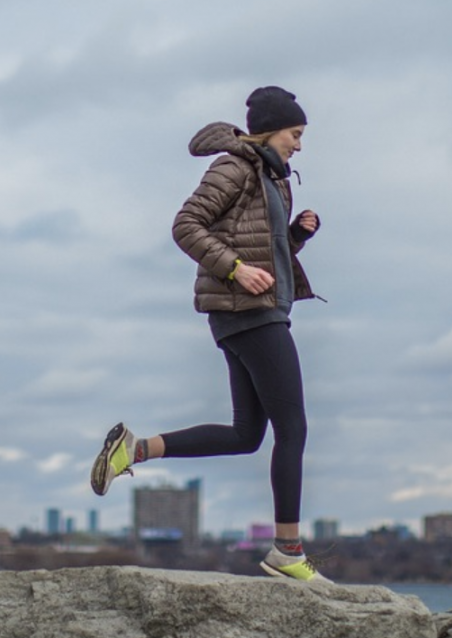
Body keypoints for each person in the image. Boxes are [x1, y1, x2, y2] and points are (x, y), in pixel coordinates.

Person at [91, 86, 328, 583]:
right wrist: (237, 269)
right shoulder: (235, 166)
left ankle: (133, 449)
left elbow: (260, 247)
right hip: (249, 312)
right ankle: (288, 550)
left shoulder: (272, 177)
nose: (300, 146)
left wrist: (296, 237)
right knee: (294, 428)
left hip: (249, 310)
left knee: (247, 435)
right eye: (296, 134)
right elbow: (186, 225)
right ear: (271, 130)